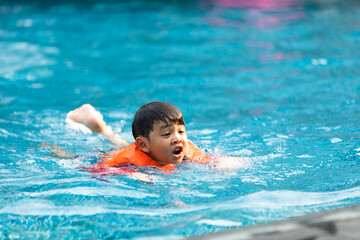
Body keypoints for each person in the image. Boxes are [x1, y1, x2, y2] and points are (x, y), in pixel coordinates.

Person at [66, 102, 245, 178]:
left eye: (181, 131)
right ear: (143, 144)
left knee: (121, 144)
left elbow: (211, 160)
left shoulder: (185, 149)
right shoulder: (129, 163)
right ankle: (99, 129)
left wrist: (223, 163)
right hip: (122, 156)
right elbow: (97, 172)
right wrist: (135, 175)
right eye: (167, 134)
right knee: (70, 158)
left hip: (146, 148)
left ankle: (100, 128)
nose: (177, 139)